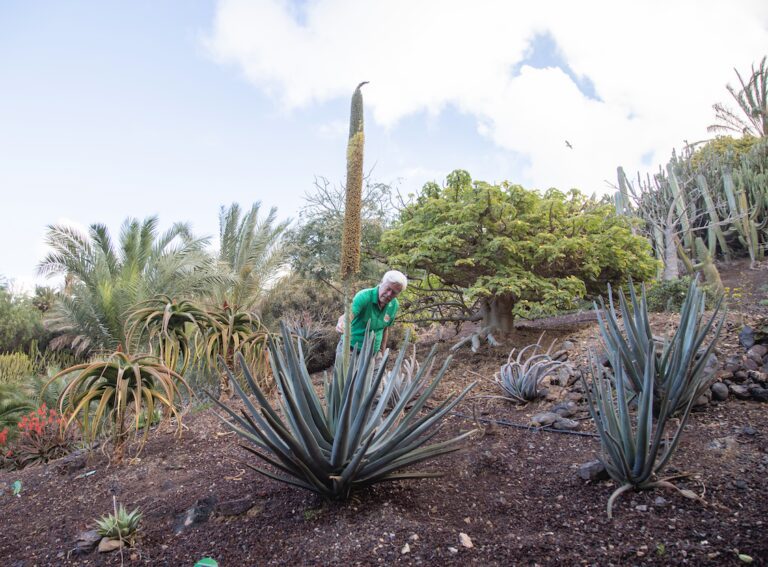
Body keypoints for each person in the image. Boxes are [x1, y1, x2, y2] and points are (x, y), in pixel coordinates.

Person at [336, 270, 407, 358]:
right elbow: (348, 315)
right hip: (350, 351)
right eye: (388, 289)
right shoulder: (364, 296)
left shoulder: (394, 305)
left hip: (374, 354)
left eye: (394, 292)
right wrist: (342, 324)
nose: (389, 294)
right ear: (381, 283)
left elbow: (385, 329)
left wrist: (382, 352)